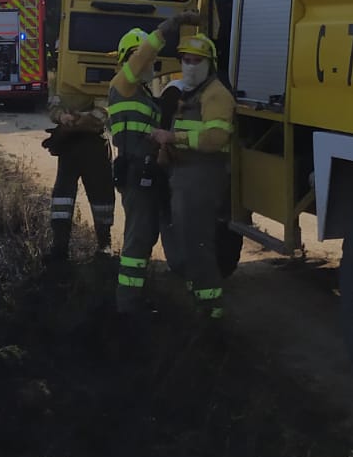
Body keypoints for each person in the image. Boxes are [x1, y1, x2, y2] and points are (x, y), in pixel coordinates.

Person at [146, 22, 232, 322]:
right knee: (187, 240)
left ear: (210, 64)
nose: (191, 66)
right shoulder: (189, 94)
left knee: (198, 243)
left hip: (204, 177)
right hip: (184, 175)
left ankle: (211, 310)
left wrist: (174, 139)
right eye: (186, 60)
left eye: (197, 61)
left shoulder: (216, 94)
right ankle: (199, 301)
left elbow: (215, 138)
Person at [107, 28, 165, 312]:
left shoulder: (139, 92)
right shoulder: (123, 85)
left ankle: (134, 296)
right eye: (148, 59)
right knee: (137, 239)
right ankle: (127, 306)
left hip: (143, 171)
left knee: (144, 236)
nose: (152, 65)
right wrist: (168, 28)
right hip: (135, 171)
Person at [43, 75, 115, 265]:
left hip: (93, 144)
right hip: (70, 144)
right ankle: (59, 246)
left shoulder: (102, 73)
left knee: (101, 196)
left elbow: (104, 110)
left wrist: (77, 120)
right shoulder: (61, 74)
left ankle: (104, 245)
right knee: (62, 197)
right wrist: (63, 117)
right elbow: (53, 107)